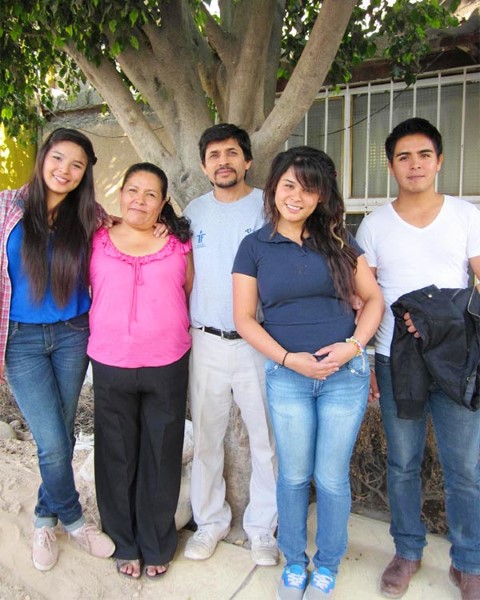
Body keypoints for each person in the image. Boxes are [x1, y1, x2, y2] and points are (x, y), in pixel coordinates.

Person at [233, 146, 384, 599]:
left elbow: (373, 300)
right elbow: (244, 318)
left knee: (333, 476)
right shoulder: (254, 246)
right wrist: (288, 359)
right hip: (289, 378)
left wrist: (353, 345)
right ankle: (295, 561)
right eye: (289, 185)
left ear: (321, 196)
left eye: (309, 188)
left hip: (345, 376)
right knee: (294, 475)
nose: (297, 196)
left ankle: (327, 564)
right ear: (274, 188)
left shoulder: (340, 241)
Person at [356, 117, 480, 600]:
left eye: (424, 155)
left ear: (440, 160)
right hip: (394, 358)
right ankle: (407, 550)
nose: (415, 165)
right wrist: (367, 359)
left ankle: (468, 561)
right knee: (402, 462)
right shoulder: (374, 225)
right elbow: (365, 298)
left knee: (465, 466)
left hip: (457, 361)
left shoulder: (467, 215)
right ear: (390, 166)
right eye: (404, 157)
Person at [0, 128, 115, 571]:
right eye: (58, 158)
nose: (64, 170)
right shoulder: (7, 206)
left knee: (63, 434)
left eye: (77, 165)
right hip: (21, 340)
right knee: (50, 439)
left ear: (85, 173)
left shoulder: (89, 216)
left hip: (73, 334)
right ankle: (74, 518)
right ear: (43, 156)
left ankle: (44, 520)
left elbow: (128, 234)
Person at [87, 163, 193, 579]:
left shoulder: (178, 245)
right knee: (116, 454)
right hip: (111, 361)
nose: (140, 200)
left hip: (167, 361)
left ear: (163, 203)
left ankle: (156, 541)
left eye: (151, 194)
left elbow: (186, 290)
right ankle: (124, 541)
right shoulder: (96, 240)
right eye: (133, 190)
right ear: (121, 193)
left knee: (161, 452)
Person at [183, 123, 278, 566]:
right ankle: (210, 523)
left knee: (265, 441)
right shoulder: (193, 211)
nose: (223, 161)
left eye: (231, 153)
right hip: (205, 341)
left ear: (247, 161)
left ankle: (262, 529)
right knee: (206, 439)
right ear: (204, 165)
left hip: (259, 342)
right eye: (214, 155)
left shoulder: (268, 207)